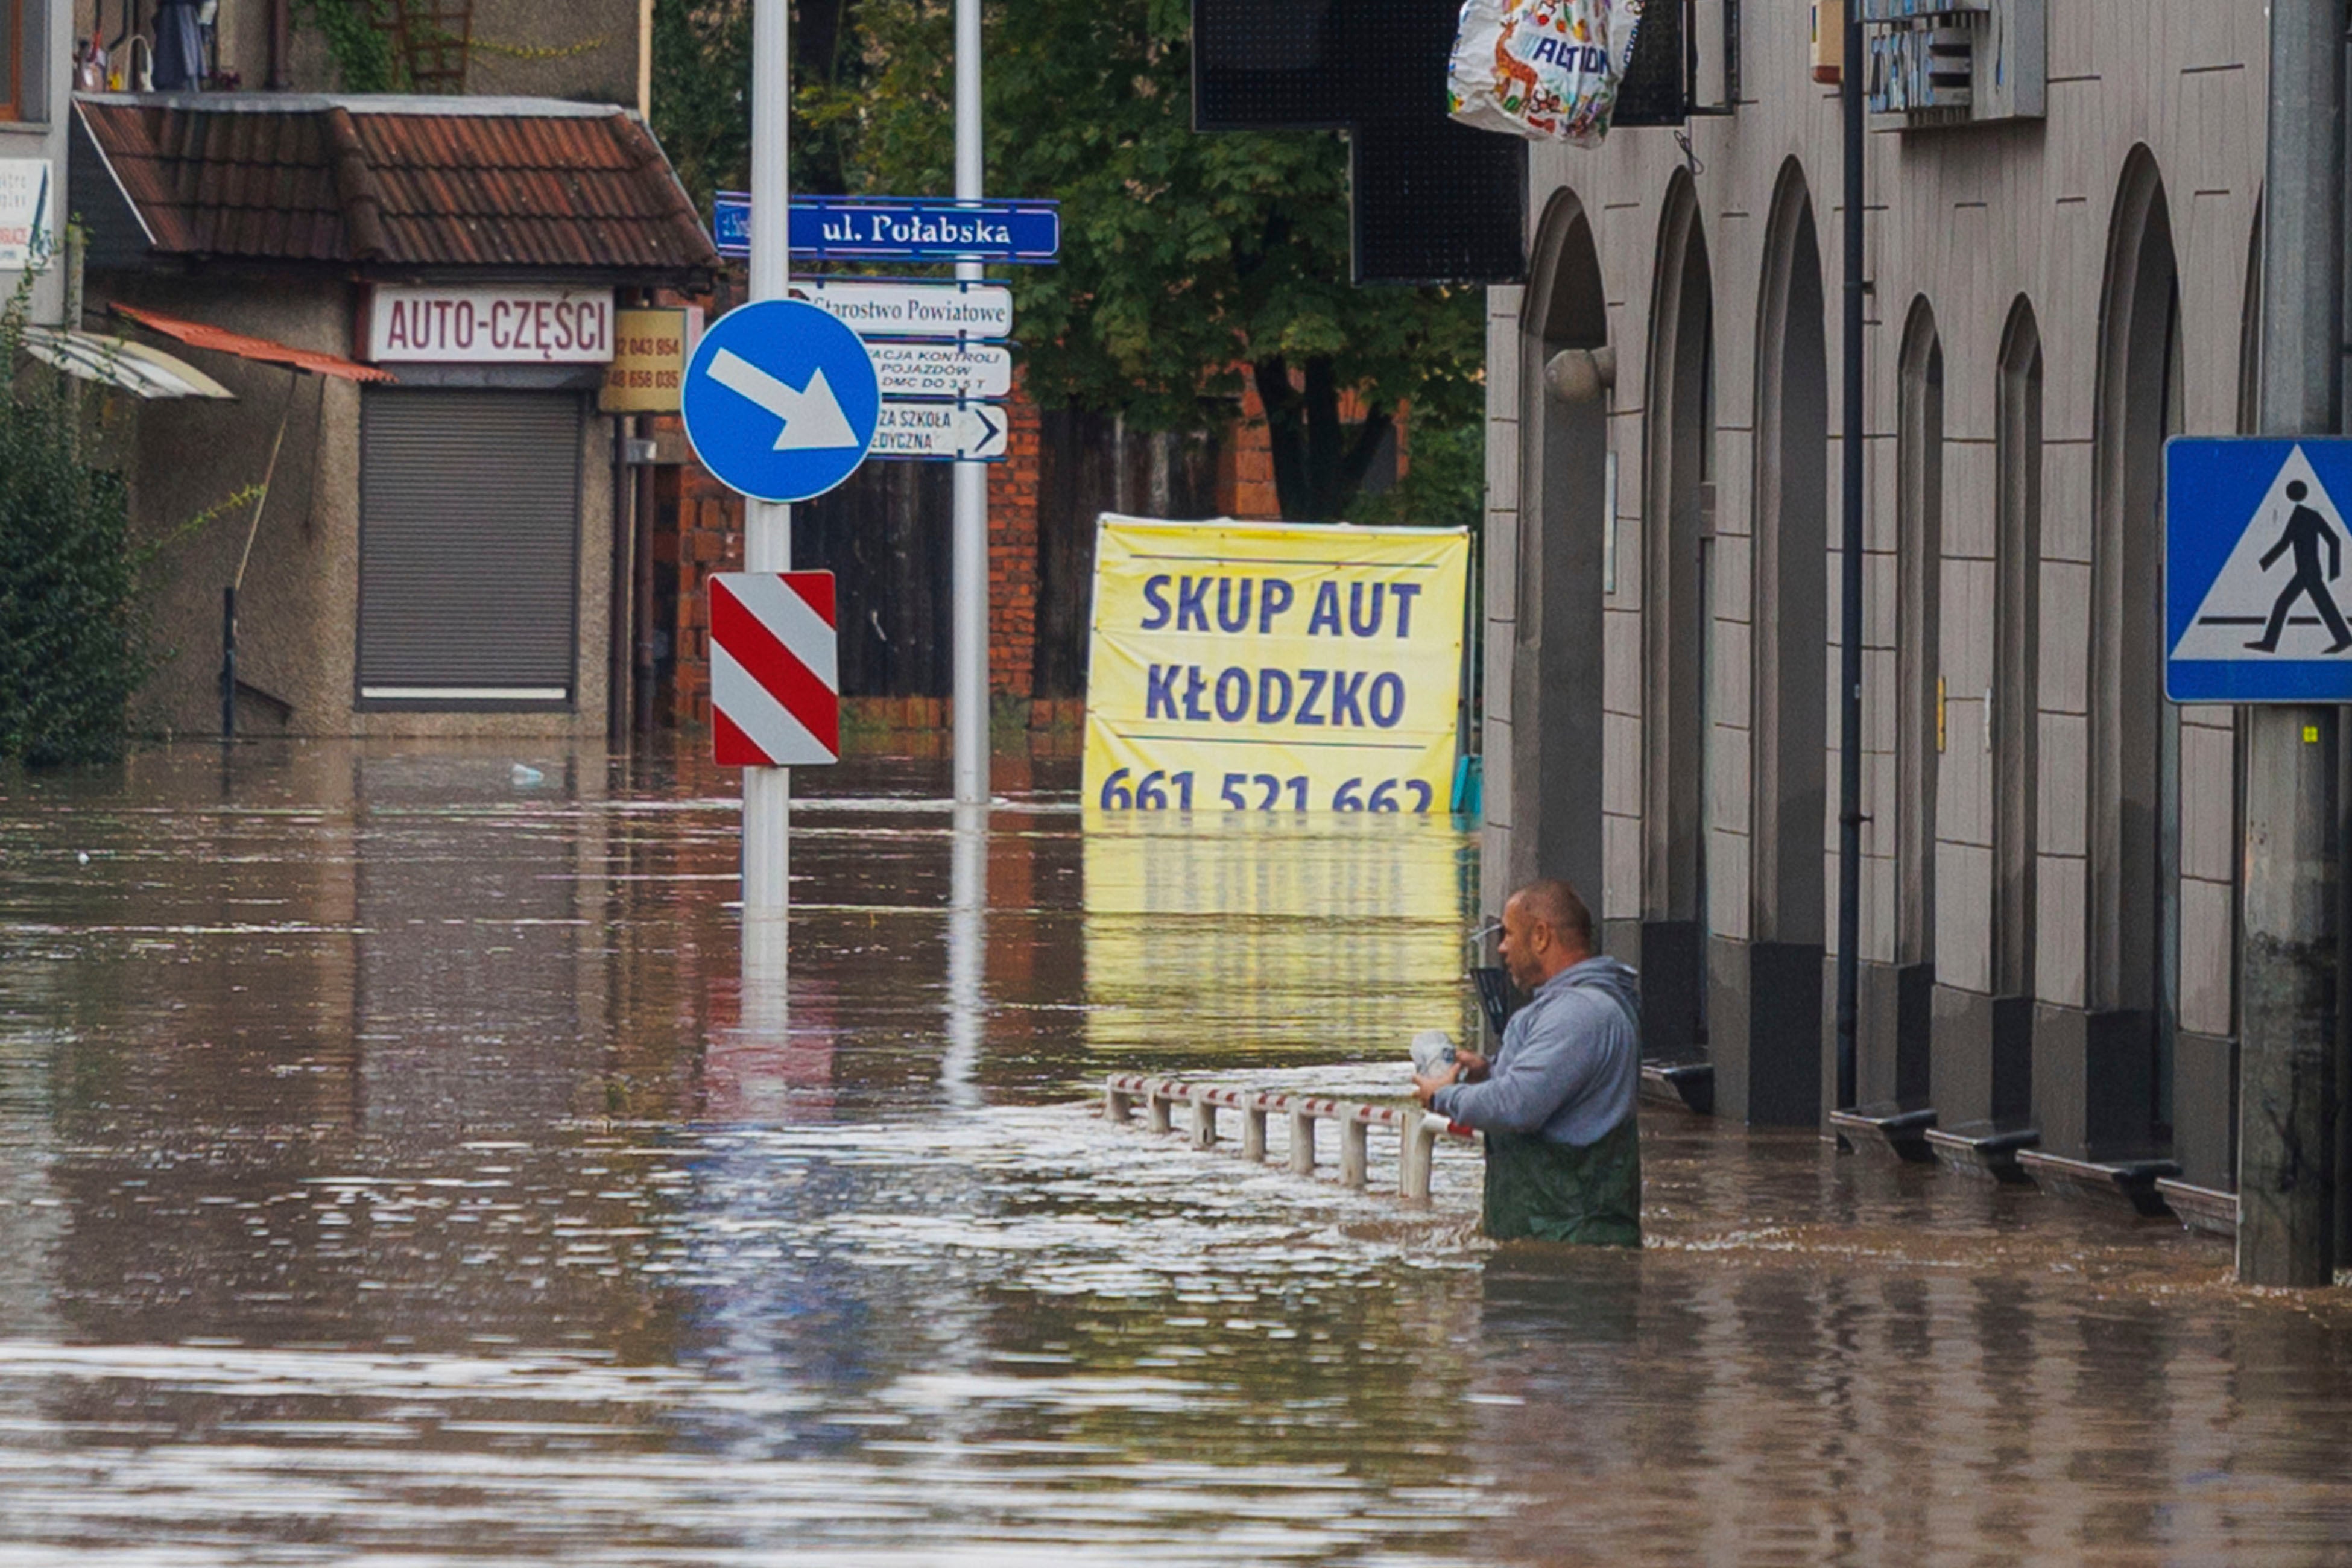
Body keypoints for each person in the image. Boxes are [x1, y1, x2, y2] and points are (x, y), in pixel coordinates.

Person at [1412, 878, 1641, 1246]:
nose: (1501, 948)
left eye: (1508, 934)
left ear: (1540, 936)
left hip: (1570, 1252)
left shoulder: (1578, 1014)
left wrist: (1444, 1096)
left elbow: (1517, 1106)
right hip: (1552, 1242)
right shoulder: (1569, 1009)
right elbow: (1536, 1092)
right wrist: (1487, 1072)